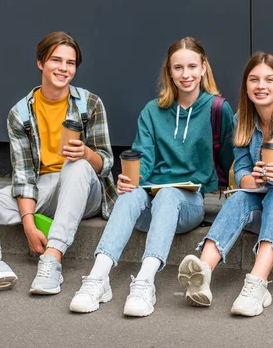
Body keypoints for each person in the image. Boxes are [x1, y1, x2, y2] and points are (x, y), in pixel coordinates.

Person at [69, 37, 234, 317]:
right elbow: (142, 158)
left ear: (204, 67)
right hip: (149, 199)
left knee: (170, 193)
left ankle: (145, 282)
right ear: (169, 71)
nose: (186, 74)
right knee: (131, 192)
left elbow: (229, 159)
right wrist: (131, 179)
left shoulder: (218, 109)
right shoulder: (152, 110)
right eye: (178, 67)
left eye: (192, 66)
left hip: (188, 203)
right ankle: (98, 278)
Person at [0, 31, 117, 296]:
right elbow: (24, 176)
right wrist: (28, 223)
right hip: (44, 188)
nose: (63, 68)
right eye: (56, 60)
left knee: (76, 166)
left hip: (86, 189)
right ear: (41, 62)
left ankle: (52, 258)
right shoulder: (21, 113)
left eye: (70, 63)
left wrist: (85, 154)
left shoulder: (89, 104)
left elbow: (105, 162)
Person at [177, 52, 273, 317]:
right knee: (239, 197)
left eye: (268, 79)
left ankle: (257, 283)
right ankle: (203, 272)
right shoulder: (243, 121)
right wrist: (255, 178)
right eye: (254, 80)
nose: (261, 86)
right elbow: (240, 171)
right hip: (269, 206)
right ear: (246, 86)